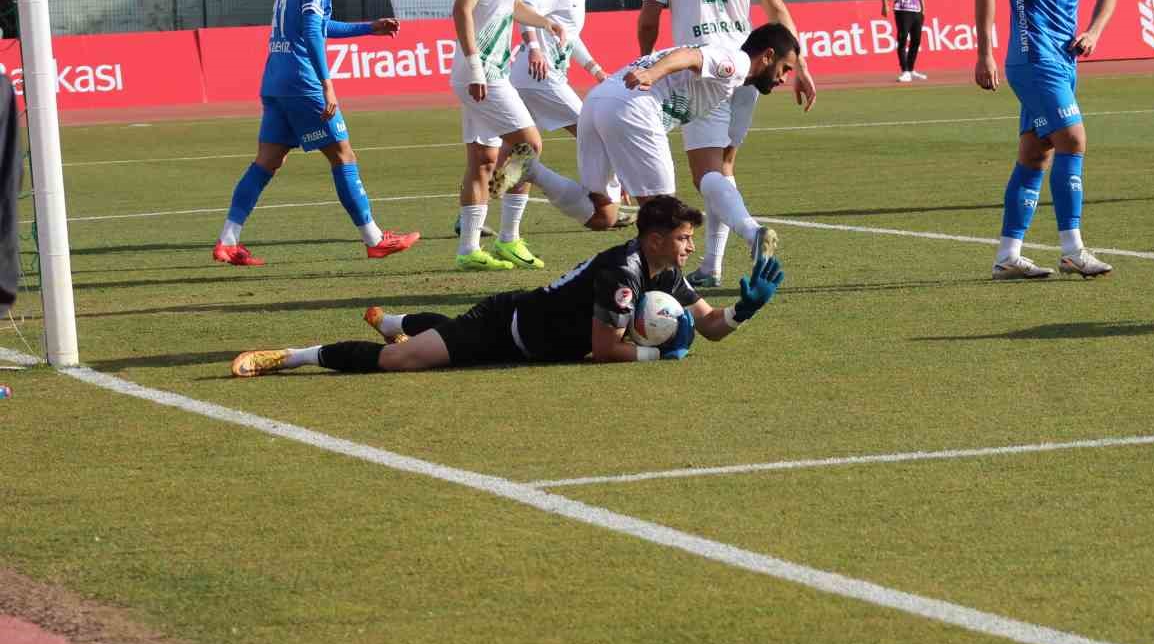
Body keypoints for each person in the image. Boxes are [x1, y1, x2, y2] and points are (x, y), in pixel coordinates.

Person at [228, 195, 786, 375]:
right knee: (405, 363)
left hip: (529, 337)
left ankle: (396, 322)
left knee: (430, 339)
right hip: (507, 327)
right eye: (685, 237)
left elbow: (709, 327)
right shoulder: (624, 272)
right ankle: (295, 355)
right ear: (656, 237)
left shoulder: (665, 271)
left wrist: (742, 313)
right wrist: (655, 356)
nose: (691, 246)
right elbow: (601, 349)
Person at [637, 0, 817, 288]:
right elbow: (777, 10)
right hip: (749, 64)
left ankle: (752, 232)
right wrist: (802, 65)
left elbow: (649, 18)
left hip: (703, 68)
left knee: (705, 175)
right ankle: (712, 265)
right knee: (725, 169)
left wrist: (645, 63)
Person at [212, 0, 419, 267]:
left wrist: (369, 28)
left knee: (268, 161)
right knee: (343, 155)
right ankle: (374, 238)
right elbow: (311, 32)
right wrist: (327, 84)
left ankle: (227, 240)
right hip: (302, 82)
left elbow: (319, 24)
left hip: (275, 78)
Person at [521, 24, 799, 266]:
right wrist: (653, 74)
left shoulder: (731, 71)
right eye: (785, 68)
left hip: (599, 102)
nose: (784, 78)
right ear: (768, 56)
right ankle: (671, 297)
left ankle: (531, 171)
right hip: (634, 106)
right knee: (665, 220)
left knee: (601, 214)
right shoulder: (737, 62)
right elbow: (691, 57)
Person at [974, 0, 1118, 281]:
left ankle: (1008, 255)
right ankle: (1073, 249)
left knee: (1036, 153)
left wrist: (1093, 32)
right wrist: (985, 51)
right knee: (1074, 138)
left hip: (1064, 59)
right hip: (1031, 56)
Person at [449, 0, 567, 273]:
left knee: (482, 160)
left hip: (486, 71)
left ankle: (468, 250)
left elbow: (513, 5)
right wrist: (477, 65)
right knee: (529, 146)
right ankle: (509, 239)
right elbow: (461, 10)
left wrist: (546, 22)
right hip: (481, 73)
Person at [508, 0, 634, 228]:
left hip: (530, 79)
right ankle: (604, 203)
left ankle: (488, 224)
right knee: (595, 129)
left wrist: (595, 70)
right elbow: (526, 10)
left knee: (518, 154)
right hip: (540, 76)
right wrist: (536, 49)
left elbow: (571, 37)